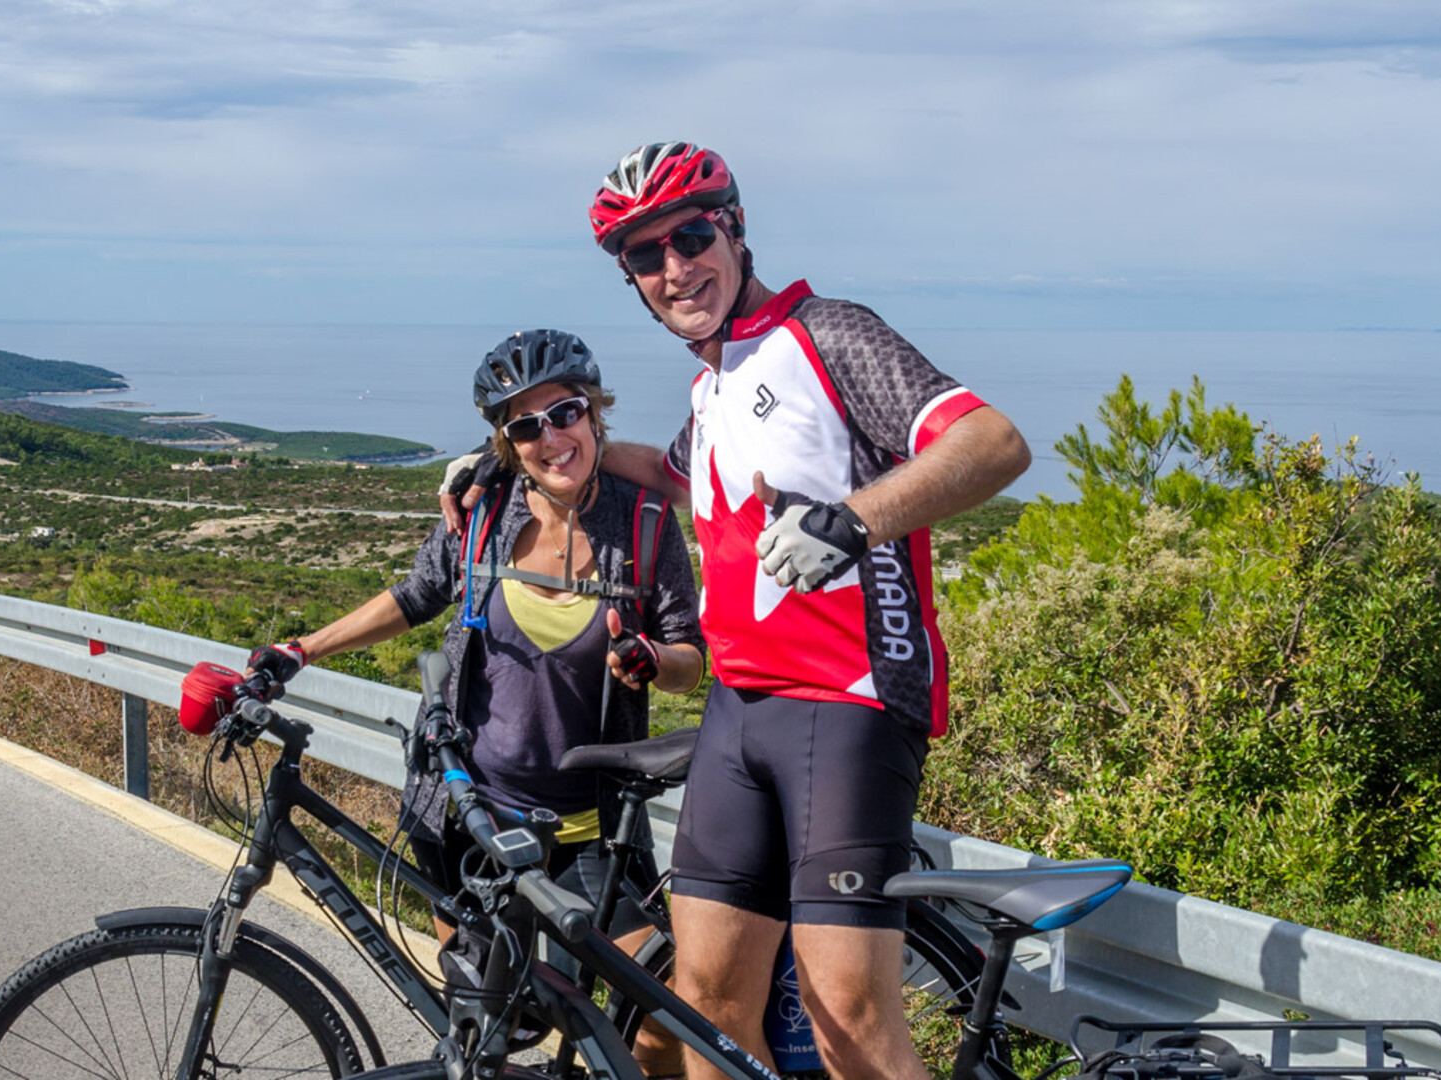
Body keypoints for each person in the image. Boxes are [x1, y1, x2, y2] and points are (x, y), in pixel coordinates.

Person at [478, 143, 1022, 1080]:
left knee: (849, 1022)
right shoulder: (716, 383)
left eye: (690, 237)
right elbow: (670, 473)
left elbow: (992, 443)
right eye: (645, 257)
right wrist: (505, 460)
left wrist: (853, 521)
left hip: (846, 704)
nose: (674, 268)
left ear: (734, 229)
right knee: (705, 1011)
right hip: (738, 710)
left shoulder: (827, 334)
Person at [249, 329, 705, 1072]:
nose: (550, 438)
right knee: (486, 1031)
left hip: (587, 829)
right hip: (470, 819)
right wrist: (302, 649)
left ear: (594, 413)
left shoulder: (646, 524)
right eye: (525, 427)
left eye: (564, 413)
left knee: (653, 1023)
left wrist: (653, 660)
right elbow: (415, 595)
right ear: (505, 442)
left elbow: (690, 660)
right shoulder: (483, 512)